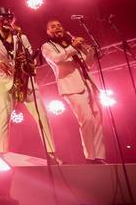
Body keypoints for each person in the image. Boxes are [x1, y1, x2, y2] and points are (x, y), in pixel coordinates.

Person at [0, 7, 59, 164]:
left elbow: (31, 57)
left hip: (26, 81)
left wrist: (31, 61)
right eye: (2, 19)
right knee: (4, 116)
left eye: (9, 19)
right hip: (6, 83)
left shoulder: (21, 37)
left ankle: (51, 153)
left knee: (42, 115)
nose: (6, 21)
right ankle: (1, 153)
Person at [42, 19, 106, 164]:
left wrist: (89, 52)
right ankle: (90, 157)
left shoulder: (69, 42)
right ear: (48, 31)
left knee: (97, 119)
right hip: (70, 87)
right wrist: (73, 47)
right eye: (53, 26)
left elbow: (88, 64)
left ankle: (99, 156)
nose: (57, 27)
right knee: (87, 120)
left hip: (88, 83)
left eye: (59, 25)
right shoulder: (47, 46)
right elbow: (57, 60)